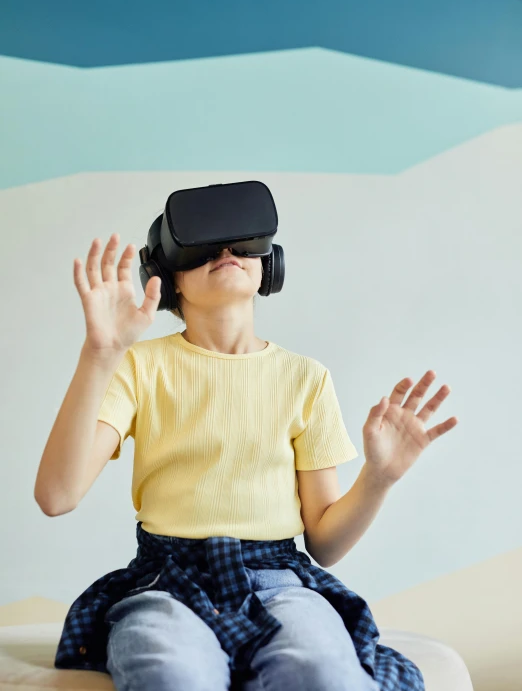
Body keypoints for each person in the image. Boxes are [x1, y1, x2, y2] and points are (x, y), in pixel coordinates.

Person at [35, 226, 457, 691]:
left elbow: (325, 544)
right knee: (171, 673)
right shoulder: (138, 365)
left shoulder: (306, 378)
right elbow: (57, 496)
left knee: (321, 672)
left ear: (268, 266)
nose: (226, 250)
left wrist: (379, 477)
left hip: (280, 580)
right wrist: (100, 353)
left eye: (243, 242)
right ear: (168, 276)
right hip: (167, 582)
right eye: (203, 245)